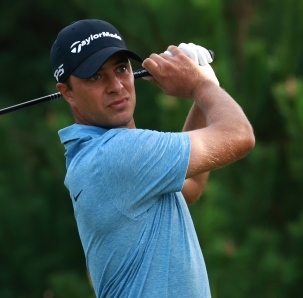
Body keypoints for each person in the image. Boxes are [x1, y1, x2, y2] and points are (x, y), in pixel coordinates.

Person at [50, 19, 255, 297]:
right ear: (67, 93)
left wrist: (203, 91)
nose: (116, 86)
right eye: (95, 77)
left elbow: (190, 186)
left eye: (121, 69)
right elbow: (240, 135)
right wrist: (201, 87)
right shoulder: (116, 153)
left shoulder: (94, 153)